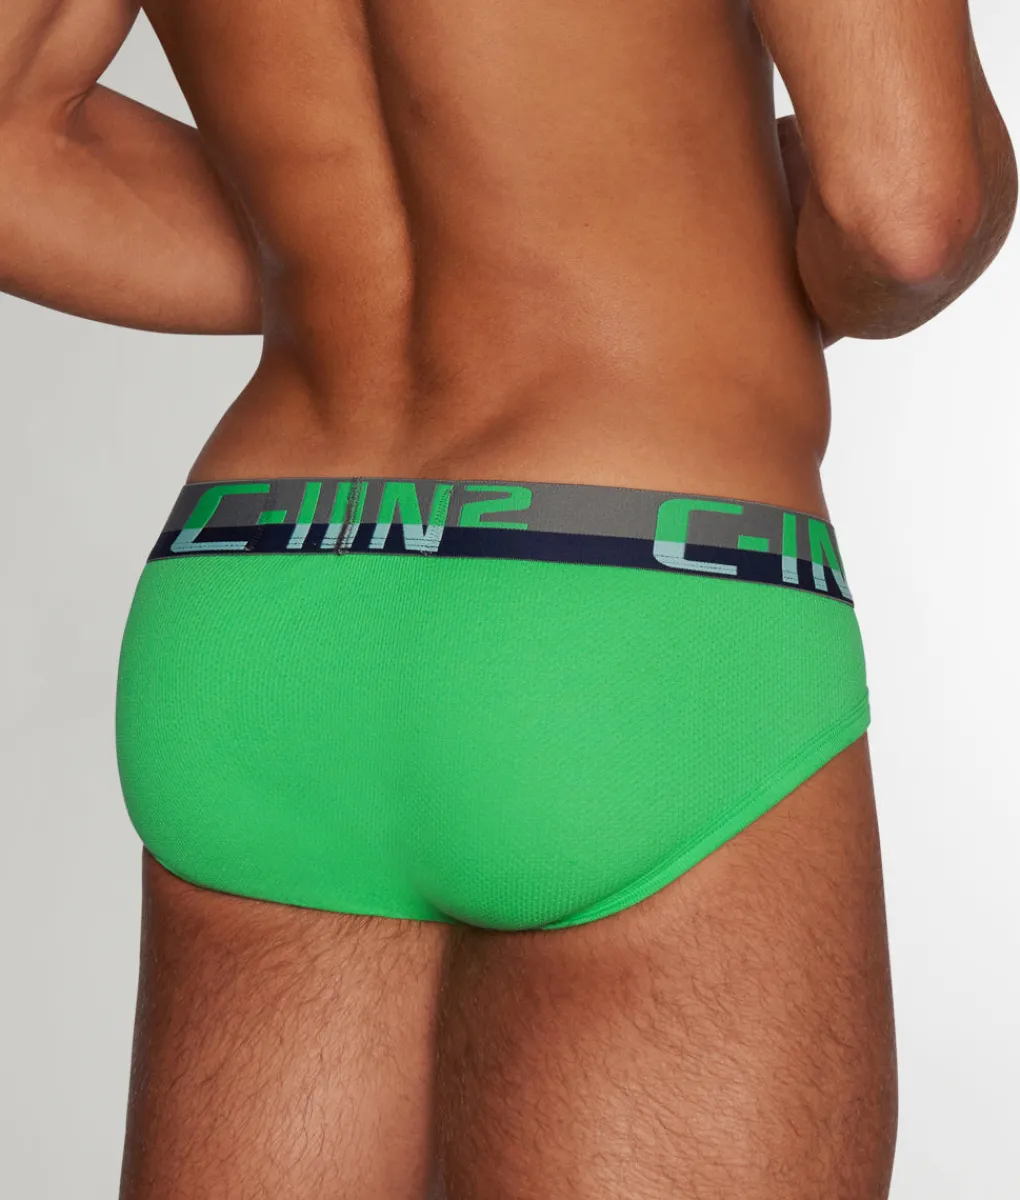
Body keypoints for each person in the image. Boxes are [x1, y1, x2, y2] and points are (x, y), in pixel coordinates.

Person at [0, 1, 1015, 1196]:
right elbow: (909, 212)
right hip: (618, 605)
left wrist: (327, 266)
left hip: (260, 592)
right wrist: (696, 240)